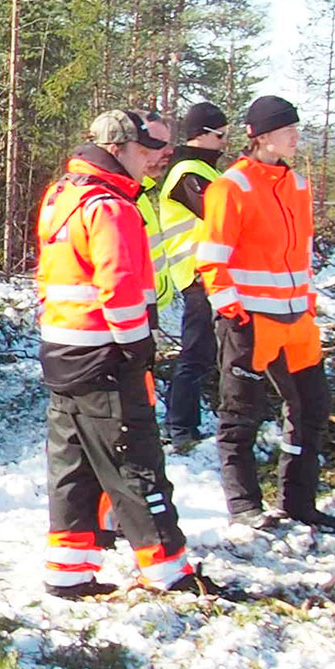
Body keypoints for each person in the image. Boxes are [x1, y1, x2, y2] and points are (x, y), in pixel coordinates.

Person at [34, 109, 223, 600]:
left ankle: (69, 572)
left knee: (73, 467)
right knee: (134, 461)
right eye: (147, 149)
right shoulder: (111, 206)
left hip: (62, 352)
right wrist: (137, 347)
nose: (156, 159)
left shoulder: (62, 195)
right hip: (105, 354)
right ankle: (169, 570)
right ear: (119, 149)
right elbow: (118, 287)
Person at [196, 95, 335, 534]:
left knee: (312, 411)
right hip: (250, 322)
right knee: (240, 416)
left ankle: (298, 503)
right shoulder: (231, 186)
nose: (296, 136)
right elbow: (212, 258)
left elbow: (299, 256)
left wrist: (309, 303)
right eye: (288, 130)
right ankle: (244, 506)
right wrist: (231, 309)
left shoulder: (298, 185)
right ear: (262, 136)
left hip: (297, 323)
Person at [152, 103, 228, 445]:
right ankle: (180, 426)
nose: (225, 142)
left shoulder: (204, 170)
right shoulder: (187, 171)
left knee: (206, 352)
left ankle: (186, 423)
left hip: (211, 274)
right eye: (220, 135)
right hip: (197, 274)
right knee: (196, 353)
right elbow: (219, 215)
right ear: (201, 134)